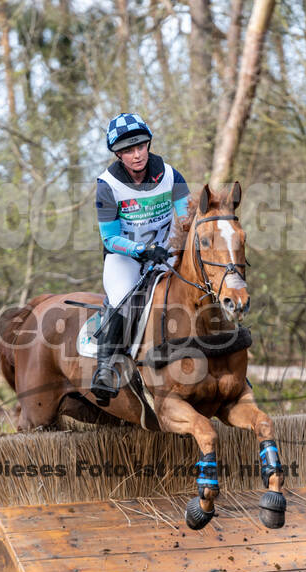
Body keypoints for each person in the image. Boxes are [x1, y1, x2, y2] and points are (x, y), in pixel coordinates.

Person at [91, 112, 190, 404]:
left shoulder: (172, 175)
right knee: (122, 297)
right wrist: (142, 252)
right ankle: (105, 369)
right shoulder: (107, 185)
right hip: (126, 258)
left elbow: (187, 219)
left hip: (167, 251)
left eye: (141, 146)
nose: (137, 155)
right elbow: (109, 238)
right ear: (118, 154)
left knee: (202, 286)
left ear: (148, 144)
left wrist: (181, 245)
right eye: (128, 150)